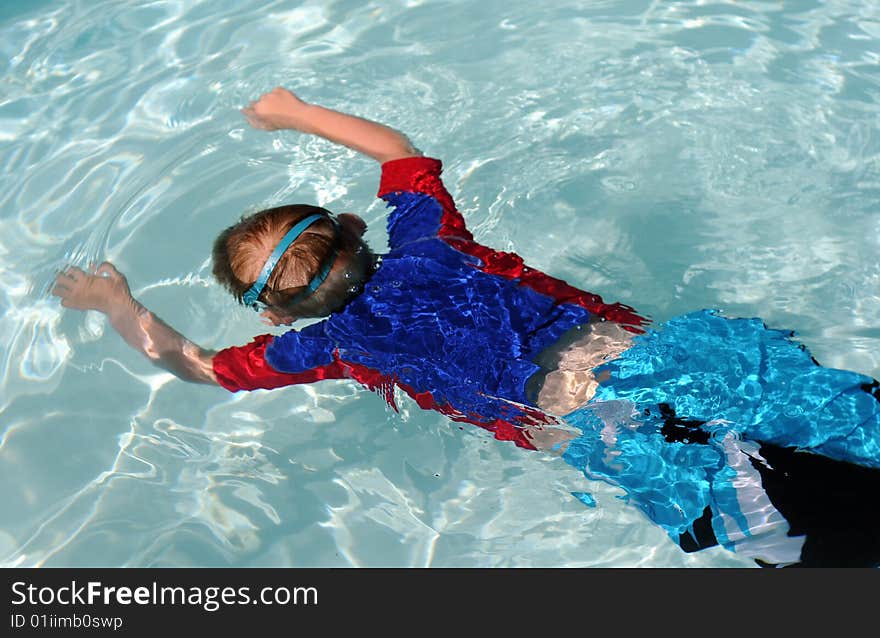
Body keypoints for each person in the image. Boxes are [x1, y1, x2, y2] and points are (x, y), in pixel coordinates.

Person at [52, 87, 880, 567]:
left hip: (599, 433)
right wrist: (289, 110)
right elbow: (395, 148)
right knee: (842, 414)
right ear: (351, 226)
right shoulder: (429, 243)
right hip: (658, 360)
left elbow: (197, 367)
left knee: (801, 532)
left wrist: (117, 305)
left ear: (274, 316)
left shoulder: (329, 345)